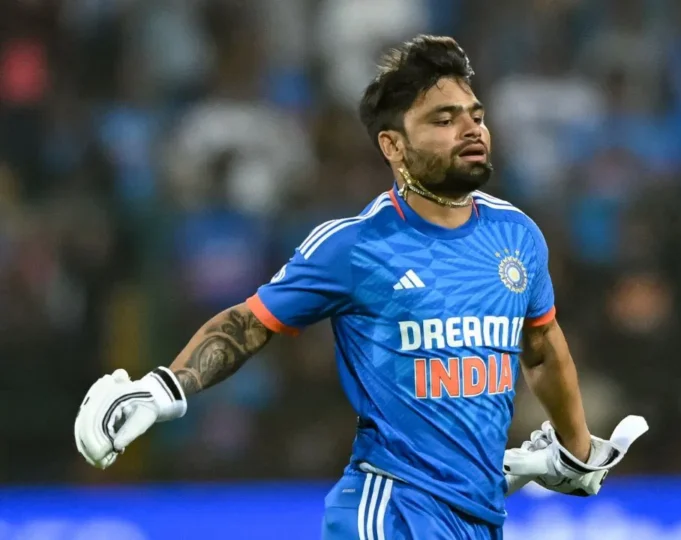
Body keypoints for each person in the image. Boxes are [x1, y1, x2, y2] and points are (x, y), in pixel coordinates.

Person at [74, 35, 642, 539]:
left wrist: (576, 449)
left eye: (475, 115)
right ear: (393, 146)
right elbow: (251, 323)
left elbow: (540, 348)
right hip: (389, 512)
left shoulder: (518, 237)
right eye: (444, 120)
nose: (472, 129)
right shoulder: (355, 245)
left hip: (479, 519)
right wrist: (162, 390)